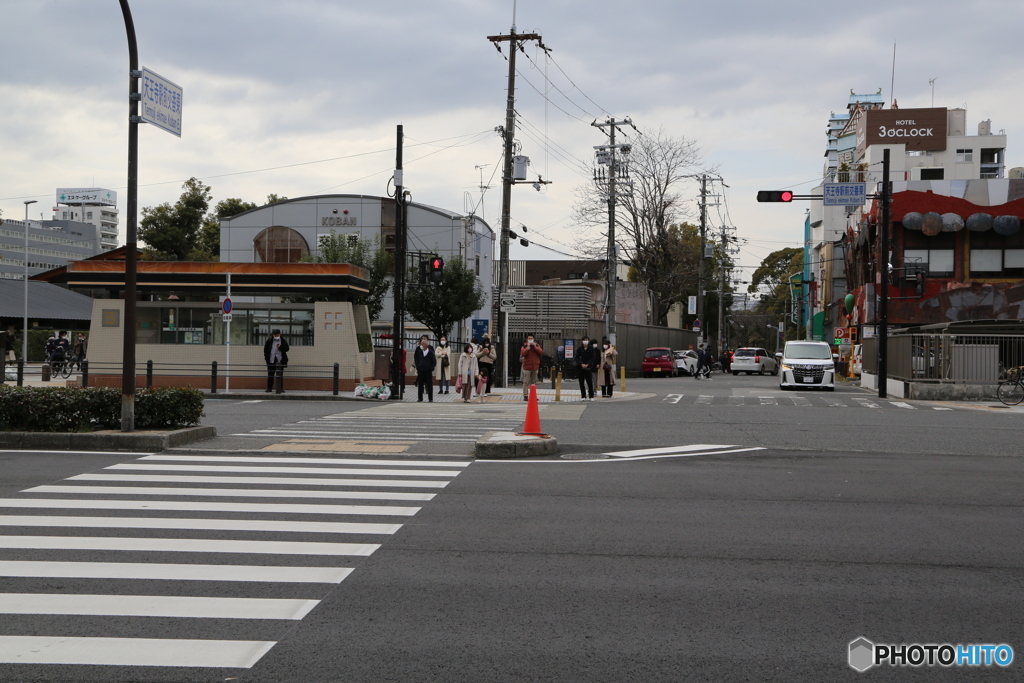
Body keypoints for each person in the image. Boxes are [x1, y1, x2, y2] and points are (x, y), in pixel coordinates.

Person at [520, 334, 544, 401]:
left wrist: (535, 347)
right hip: (527, 366)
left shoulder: (536, 345)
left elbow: (541, 352)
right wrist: (528, 348)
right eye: (529, 338)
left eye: (531, 338)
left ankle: (533, 395)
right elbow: (523, 354)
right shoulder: (524, 346)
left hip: (535, 366)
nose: (530, 339)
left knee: (533, 382)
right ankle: (525, 395)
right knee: (526, 381)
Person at [575, 335, 599, 401]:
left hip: (588, 367)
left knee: (589, 382)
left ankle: (591, 396)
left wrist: (588, 364)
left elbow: (593, 357)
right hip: (581, 368)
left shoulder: (591, 349)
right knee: (581, 382)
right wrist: (581, 363)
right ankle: (583, 396)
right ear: (582, 341)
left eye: (587, 340)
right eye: (584, 340)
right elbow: (576, 357)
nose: (585, 341)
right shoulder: (579, 349)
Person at [413, 335, 437, 402]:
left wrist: (431, 368)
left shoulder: (430, 351)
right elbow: (416, 359)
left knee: (429, 384)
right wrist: (418, 367)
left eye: (424, 344)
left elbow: (434, 361)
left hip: (428, 370)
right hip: (421, 370)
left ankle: (430, 398)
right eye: (422, 343)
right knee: (420, 384)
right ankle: (420, 398)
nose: (423, 345)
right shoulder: (419, 351)